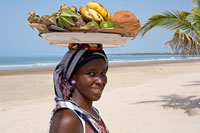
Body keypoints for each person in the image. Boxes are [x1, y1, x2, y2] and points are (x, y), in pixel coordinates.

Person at [49, 43, 109, 133]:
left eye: (103, 73)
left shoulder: (92, 112)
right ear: (73, 76)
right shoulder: (68, 119)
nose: (100, 81)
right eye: (92, 74)